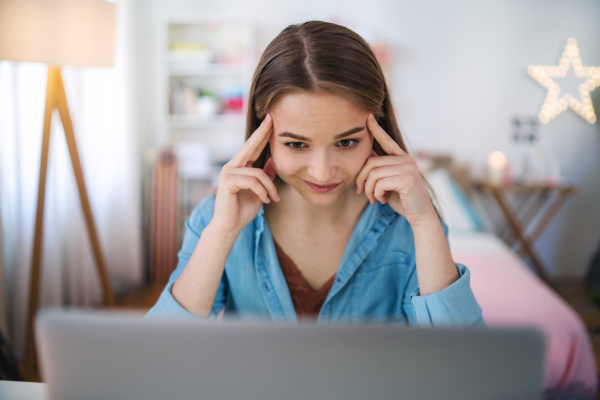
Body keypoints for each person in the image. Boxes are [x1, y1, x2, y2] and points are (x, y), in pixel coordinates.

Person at [146, 21, 484, 327]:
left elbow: (466, 368)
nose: (323, 173)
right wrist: (221, 232)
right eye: (296, 145)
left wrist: (425, 224)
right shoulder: (216, 218)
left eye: (347, 141)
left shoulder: (412, 225)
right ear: (263, 137)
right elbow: (158, 356)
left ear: (376, 130)